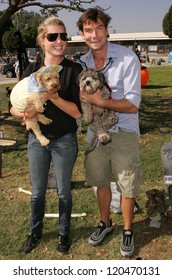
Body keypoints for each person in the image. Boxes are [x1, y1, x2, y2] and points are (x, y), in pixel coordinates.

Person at [10, 16, 82, 254]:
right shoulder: (31, 71)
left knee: (64, 191)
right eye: (53, 36)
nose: (59, 40)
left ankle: (63, 234)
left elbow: (77, 112)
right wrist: (23, 111)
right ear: (42, 40)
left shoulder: (74, 70)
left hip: (64, 140)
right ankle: (35, 232)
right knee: (37, 192)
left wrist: (53, 96)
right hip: (37, 141)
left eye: (63, 36)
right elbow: (13, 105)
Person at [77, 7, 143, 257]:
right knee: (100, 180)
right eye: (88, 30)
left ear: (107, 30)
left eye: (99, 28)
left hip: (124, 128)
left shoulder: (127, 58)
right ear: (83, 34)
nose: (94, 34)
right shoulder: (81, 63)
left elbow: (132, 103)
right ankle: (105, 222)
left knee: (127, 183)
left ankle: (127, 230)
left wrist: (103, 103)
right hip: (96, 132)